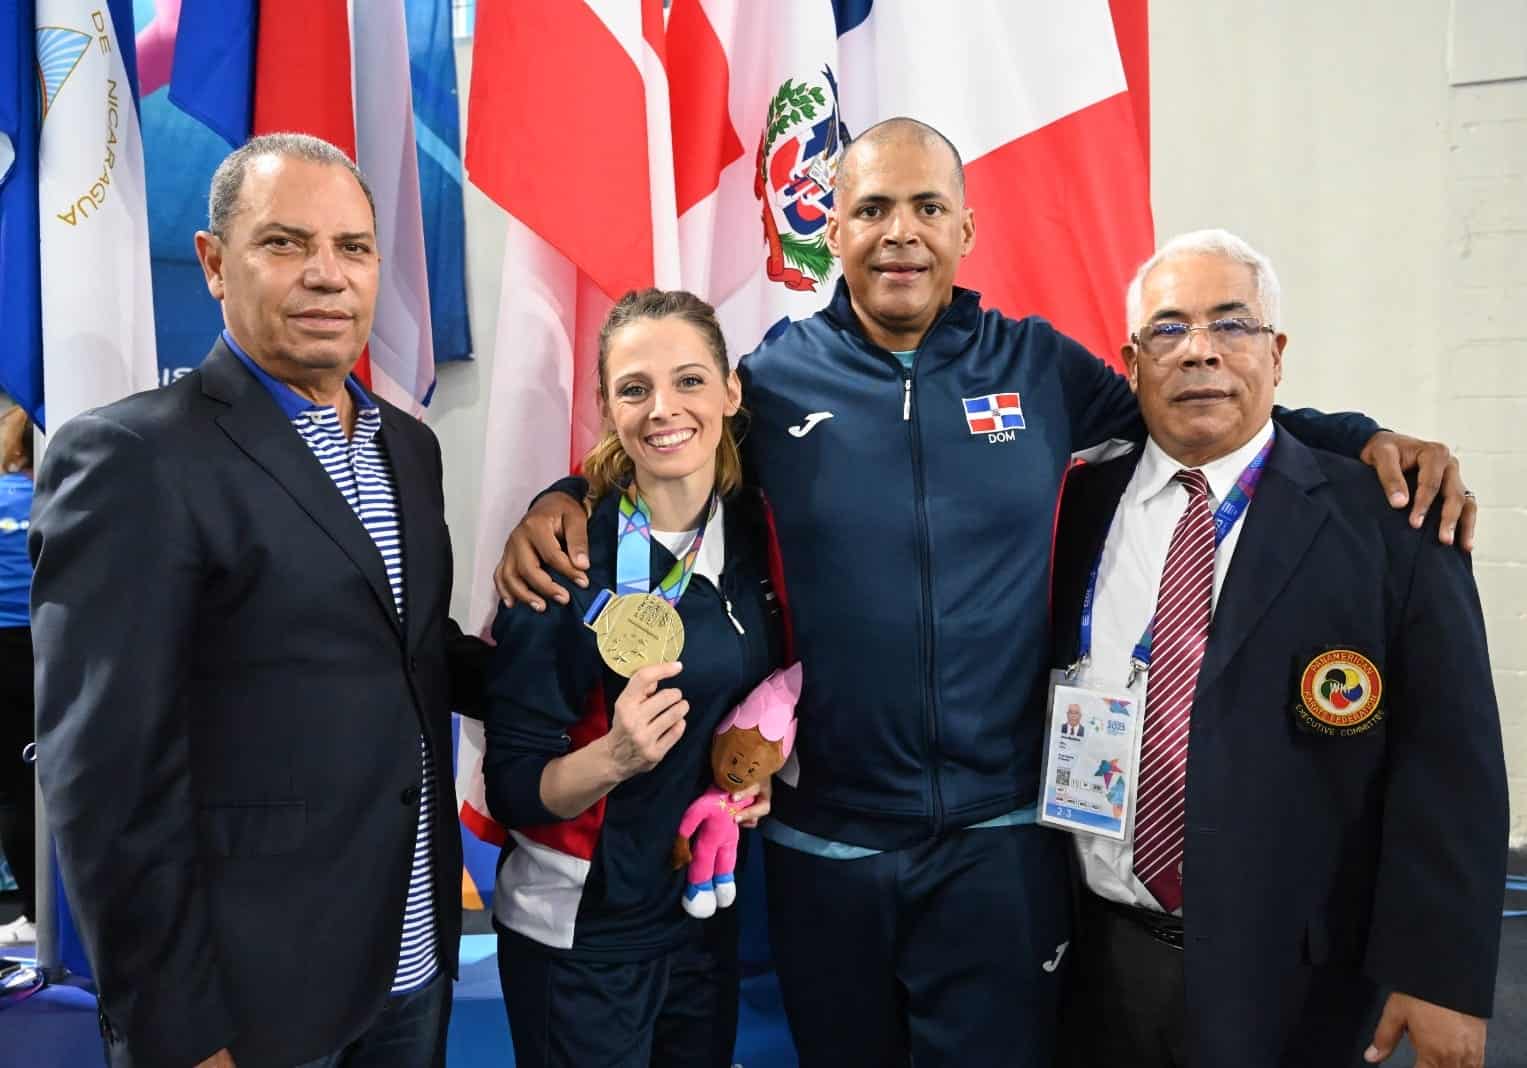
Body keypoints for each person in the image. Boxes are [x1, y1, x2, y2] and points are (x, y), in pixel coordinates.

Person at [494, 119, 1476, 1065]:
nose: (901, 232)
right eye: (873, 208)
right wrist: (565, 497)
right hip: (825, 844)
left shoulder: (1038, 367)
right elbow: (672, 443)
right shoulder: (777, 378)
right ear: (830, 230)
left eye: (929, 207)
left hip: (1000, 848)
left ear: (966, 230)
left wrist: (1358, 438)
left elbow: (1192, 407)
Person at [30, 133, 485, 1068]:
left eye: (353, 248)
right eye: (285, 243)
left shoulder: (409, 446)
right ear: (212, 263)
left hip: (412, 965)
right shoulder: (133, 457)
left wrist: (600, 633)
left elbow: (411, 652)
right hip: (249, 1005)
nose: (327, 275)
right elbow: (105, 780)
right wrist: (180, 1031)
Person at [1049, 229, 1505, 1068]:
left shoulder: (1393, 521)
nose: (1198, 353)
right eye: (1168, 329)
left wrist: (1440, 971)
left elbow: (1450, 764)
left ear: (1277, 352)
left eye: (1231, 326)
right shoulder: (1075, 506)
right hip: (1095, 959)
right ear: (1131, 359)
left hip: (1296, 977)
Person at [482, 289, 784, 1068]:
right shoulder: (564, 556)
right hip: (582, 930)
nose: (663, 409)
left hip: (700, 912)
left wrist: (757, 780)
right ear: (606, 405)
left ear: (730, 391)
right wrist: (614, 757)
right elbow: (514, 784)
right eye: (634, 388)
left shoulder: (755, 531)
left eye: (688, 380)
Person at [0, 405, 35, 947]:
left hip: (13, 649)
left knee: (15, 789)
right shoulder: (72, 494)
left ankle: (34, 909)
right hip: (48, 647)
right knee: (36, 787)